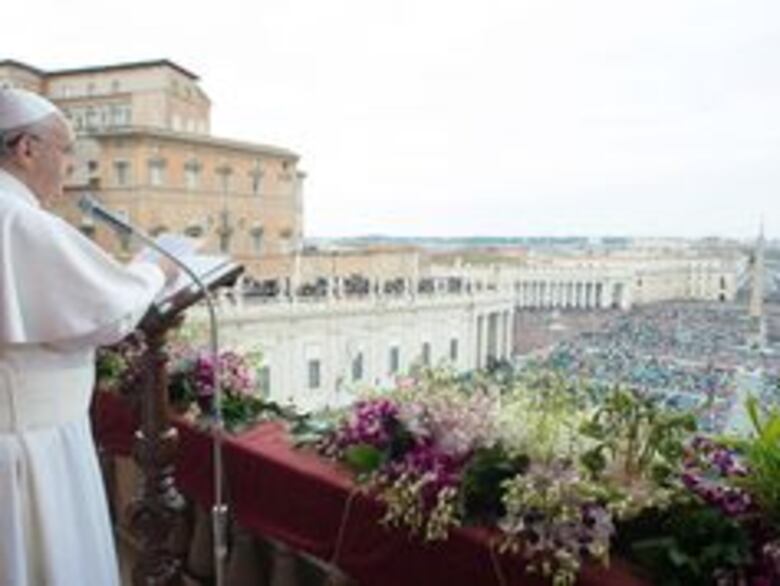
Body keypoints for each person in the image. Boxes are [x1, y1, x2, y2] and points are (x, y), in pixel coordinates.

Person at [0, 88, 177, 585]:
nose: (70, 166)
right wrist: (155, 271)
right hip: (28, 451)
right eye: (65, 149)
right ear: (26, 149)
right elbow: (110, 311)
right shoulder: (20, 221)